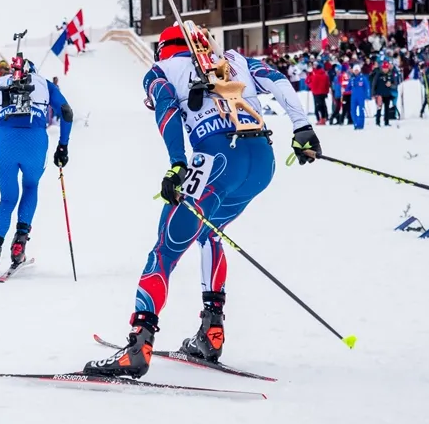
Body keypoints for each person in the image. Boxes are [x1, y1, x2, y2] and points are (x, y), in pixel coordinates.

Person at [83, 23, 320, 379]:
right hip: (261, 163)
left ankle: (138, 344)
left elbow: (165, 105)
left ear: (163, 49)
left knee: (165, 249)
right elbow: (278, 81)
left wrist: (177, 163)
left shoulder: (161, 69)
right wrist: (303, 128)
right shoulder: (233, 59)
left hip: (215, 161)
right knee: (210, 233)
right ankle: (212, 332)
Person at [0, 55, 73, 276]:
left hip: (6, 142)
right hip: (35, 141)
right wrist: (63, 146)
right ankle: (19, 242)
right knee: (31, 187)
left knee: (7, 198)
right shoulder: (44, 83)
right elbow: (67, 112)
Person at [349, 64, 369, 130]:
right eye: (355, 70)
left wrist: (367, 96)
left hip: (361, 97)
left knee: (361, 110)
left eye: (357, 70)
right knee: (353, 111)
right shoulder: (352, 78)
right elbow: (348, 87)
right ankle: (356, 123)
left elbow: (367, 87)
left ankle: (360, 124)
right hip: (353, 97)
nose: (356, 72)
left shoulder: (363, 78)